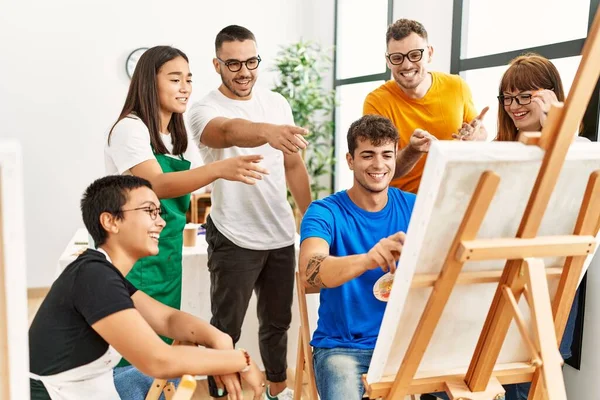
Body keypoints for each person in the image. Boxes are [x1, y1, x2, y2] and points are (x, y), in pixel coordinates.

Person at [104, 45, 267, 396]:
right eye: (175, 79)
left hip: (167, 251)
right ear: (149, 83)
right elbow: (156, 184)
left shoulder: (174, 138)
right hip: (135, 257)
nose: (185, 87)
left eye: (189, 79)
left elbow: (186, 191)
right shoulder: (130, 130)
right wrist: (221, 169)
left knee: (163, 341)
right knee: (131, 352)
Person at [29, 175, 265, 400]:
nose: (161, 221)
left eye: (159, 212)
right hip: (56, 394)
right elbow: (158, 360)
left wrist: (220, 340)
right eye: (149, 211)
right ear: (110, 221)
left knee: (172, 374)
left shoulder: (103, 271)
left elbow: (168, 319)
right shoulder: (93, 275)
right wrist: (240, 360)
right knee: (168, 370)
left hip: (86, 386)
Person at [187, 25, 311, 400]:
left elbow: (293, 167)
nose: (244, 71)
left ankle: (277, 390)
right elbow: (226, 132)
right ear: (217, 64)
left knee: (277, 324)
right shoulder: (204, 109)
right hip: (234, 236)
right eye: (234, 63)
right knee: (225, 329)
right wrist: (266, 132)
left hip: (278, 235)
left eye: (251, 61)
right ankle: (222, 394)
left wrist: (312, 218)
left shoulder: (277, 103)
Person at [299, 115, 416, 400]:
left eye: (387, 155)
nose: (379, 165)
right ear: (350, 160)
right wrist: (368, 259)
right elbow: (310, 270)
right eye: (368, 155)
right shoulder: (324, 212)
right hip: (342, 348)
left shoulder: (415, 206)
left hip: (404, 345)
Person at [363, 18, 488, 194]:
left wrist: (476, 136)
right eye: (397, 58)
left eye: (415, 55)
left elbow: (479, 132)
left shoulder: (457, 86)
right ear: (388, 61)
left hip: (454, 194)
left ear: (429, 53)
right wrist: (413, 150)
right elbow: (382, 171)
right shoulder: (376, 102)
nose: (406, 65)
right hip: (402, 203)